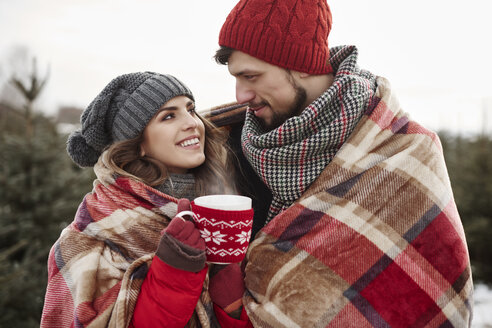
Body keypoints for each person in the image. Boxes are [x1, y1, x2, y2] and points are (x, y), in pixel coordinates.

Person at [206, 0, 474, 327]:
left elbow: (432, 284)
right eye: (236, 78)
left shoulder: (406, 149)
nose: (241, 96)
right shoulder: (226, 142)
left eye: (252, 76)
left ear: (301, 64)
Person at [40, 72, 252, 327]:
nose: (193, 123)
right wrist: (173, 273)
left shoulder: (227, 199)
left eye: (191, 109)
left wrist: (231, 304)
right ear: (138, 143)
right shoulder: (88, 238)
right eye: (169, 116)